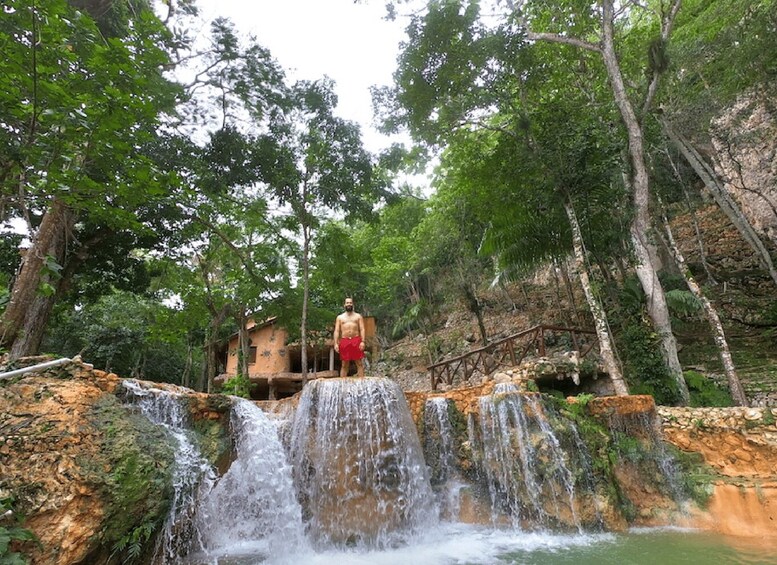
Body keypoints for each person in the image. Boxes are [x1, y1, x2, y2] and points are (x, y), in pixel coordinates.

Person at [333, 297, 366, 377]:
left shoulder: (358, 316)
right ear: (344, 305)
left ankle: (362, 384)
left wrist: (363, 341)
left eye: (350, 303)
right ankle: (342, 385)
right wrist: (336, 343)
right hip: (344, 341)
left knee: (359, 363)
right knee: (344, 364)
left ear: (353, 304)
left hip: (356, 340)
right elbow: (337, 330)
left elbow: (362, 329)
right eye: (347, 303)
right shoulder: (340, 317)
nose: (349, 304)